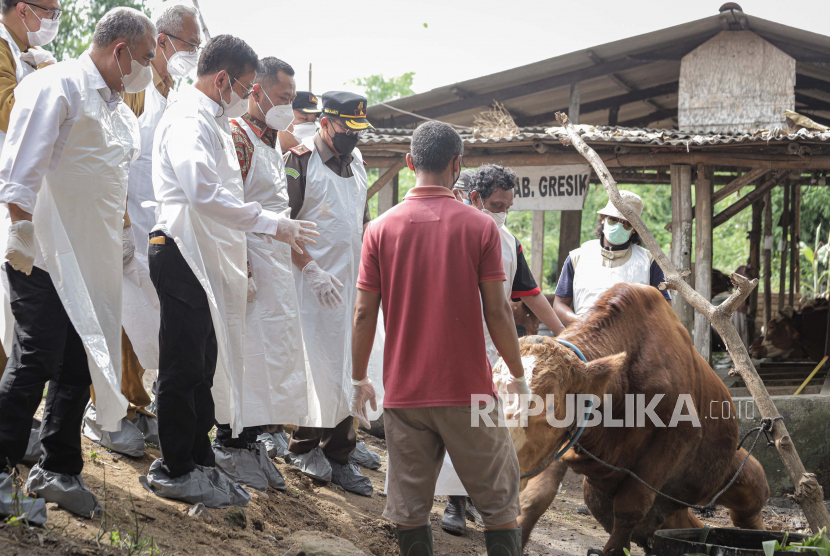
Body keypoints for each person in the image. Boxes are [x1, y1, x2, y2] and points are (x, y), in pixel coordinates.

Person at [141, 34, 318, 507]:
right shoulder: (187, 118)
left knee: (204, 365)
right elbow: (201, 192)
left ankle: (200, 460)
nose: (245, 96)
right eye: (243, 86)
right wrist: (269, 223)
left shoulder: (215, 120)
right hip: (181, 250)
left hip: (206, 255)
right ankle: (174, 467)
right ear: (222, 79)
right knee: (181, 366)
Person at [0, 6, 155, 518]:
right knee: (36, 358)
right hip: (42, 254)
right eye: (148, 57)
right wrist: (20, 227)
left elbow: (110, 181)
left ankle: (58, 469)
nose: (149, 69)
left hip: (92, 261)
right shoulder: (59, 85)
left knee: (77, 363)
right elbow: (22, 162)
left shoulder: (116, 108)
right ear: (121, 50)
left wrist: (126, 239)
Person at [351, 121, 526, 556]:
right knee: (500, 505)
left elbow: (362, 313)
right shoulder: (481, 228)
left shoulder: (380, 230)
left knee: (409, 510)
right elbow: (499, 311)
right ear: (457, 164)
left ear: (410, 163)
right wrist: (519, 377)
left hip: (405, 396)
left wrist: (358, 379)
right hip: (470, 393)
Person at [82, 2, 202, 458]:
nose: (194, 53)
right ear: (165, 42)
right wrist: (122, 225)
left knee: (144, 324)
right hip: (123, 222)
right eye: (190, 44)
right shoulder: (136, 87)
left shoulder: (172, 92)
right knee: (117, 318)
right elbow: (118, 153)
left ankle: (135, 402)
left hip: (156, 230)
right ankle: (106, 410)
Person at [438, 164, 565, 535]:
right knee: (460, 422)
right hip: (457, 340)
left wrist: (565, 334)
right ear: (475, 198)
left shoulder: (508, 241)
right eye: (496, 204)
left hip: (496, 346)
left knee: (490, 425)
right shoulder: (455, 231)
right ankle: (454, 502)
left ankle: (479, 498)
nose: (502, 211)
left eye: (508, 205)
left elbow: (530, 293)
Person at [210, 56, 303, 492]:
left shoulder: (273, 142)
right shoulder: (239, 137)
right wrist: (241, 266)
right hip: (248, 262)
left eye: (290, 99)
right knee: (244, 356)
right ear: (257, 92)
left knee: (271, 357)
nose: (288, 106)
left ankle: (251, 441)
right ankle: (230, 440)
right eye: (282, 98)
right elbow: (229, 206)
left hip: (276, 265)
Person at [282, 91, 377, 496]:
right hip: (311, 284)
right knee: (316, 367)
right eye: (346, 129)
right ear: (324, 122)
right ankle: (303, 446)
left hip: (351, 284)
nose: (352, 138)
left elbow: (363, 222)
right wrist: (312, 269)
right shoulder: (299, 162)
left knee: (347, 367)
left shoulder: (358, 164)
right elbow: (281, 225)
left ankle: (339, 452)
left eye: (359, 130)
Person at [0, 0, 60, 375]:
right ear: (24, 9)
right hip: (8, 194)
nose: (54, 20)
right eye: (49, 11)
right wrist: (47, 79)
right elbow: (9, 110)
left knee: (10, 311)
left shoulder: (23, 54)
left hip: (17, 191)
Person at [553, 190, 671, 326]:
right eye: (613, 219)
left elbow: (664, 307)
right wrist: (579, 321)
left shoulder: (648, 261)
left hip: (631, 342)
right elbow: (560, 303)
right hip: (584, 338)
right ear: (603, 218)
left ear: (634, 229)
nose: (619, 226)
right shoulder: (578, 257)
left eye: (627, 223)